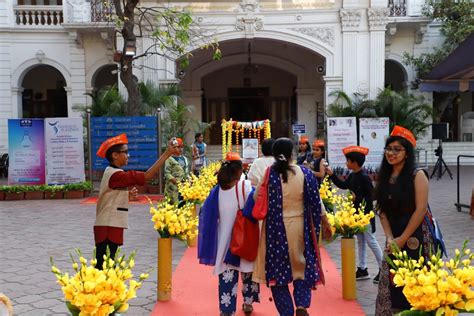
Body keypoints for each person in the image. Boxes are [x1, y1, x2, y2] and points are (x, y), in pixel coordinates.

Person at [252, 138, 333, 316]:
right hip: (300, 228)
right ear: (292, 154)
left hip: (275, 230)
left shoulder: (269, 174)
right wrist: (325, 222)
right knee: (302, 267)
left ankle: (286, 312)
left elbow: (256, 197)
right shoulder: (304, 172)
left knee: (277, 272)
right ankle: (302, 306)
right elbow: (316, 201)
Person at [94, 134, 179, 270]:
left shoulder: (112, 172)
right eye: (125, 152)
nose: (128, 155)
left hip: (108, 224)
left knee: (106, 265)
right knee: (105, 266)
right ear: (115, 155)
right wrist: (166, 154)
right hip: (108, 226)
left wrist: (126, 196)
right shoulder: (117, 174)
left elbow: (110, 195)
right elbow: (146, 177)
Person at [374, 125, 433, 315]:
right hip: (394, 238)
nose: (391, 153)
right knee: (392, 282)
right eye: (389, 149)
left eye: (397, 149)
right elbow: (381, 210)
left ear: (407, 153)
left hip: (415, 236)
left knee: (415, 283)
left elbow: (421, 209)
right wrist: (390, 237)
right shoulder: (384, 176)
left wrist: (403, 238)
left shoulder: (418, 175)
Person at [198, 152, 260, 316]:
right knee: (248, 272)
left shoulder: (216, 192)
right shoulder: (245, 187)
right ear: (239, 170)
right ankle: (248, 303)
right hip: (245, 238)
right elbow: (256, 207)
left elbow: (208, 216)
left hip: (225, 241)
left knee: (227, 276)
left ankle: (226, 309)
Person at [325, 145, 383, 283]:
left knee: (371, 241)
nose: (346, 163)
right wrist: (332, 175)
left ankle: (383, 270)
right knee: (361, 241)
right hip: (356, 216)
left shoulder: (364, 178)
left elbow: (372, 196)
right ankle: (362, 269)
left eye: (348, 161)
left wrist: (359, 199)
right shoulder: (353, 175)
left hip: (365, 216)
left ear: (355, 163)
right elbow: (344, 185)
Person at [164, 137, 189, 203]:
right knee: (173, 207)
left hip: (184, 187)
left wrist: (189, 181)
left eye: (182, 147)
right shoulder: (169, 159)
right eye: (178, 147)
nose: (180, 149)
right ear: (173, 148)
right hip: (173, 188)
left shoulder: (184, 159)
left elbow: (186, 172)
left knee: (183, 205)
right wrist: (176, 181)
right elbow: (167, 174)